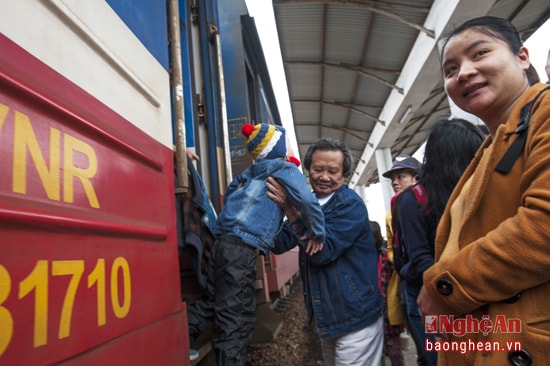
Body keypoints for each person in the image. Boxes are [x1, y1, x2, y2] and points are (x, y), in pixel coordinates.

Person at [417, 16, 550, 365]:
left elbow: (544, 227)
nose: (462, 72)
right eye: (450, 69)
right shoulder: (488, 149)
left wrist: (443, 288)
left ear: (522, 56)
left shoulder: (546, 113)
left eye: (480, 53)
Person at [187, 123, 325, 366]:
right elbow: (306, 199)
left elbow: (231, 195)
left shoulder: (248, 173)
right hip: (241, 250)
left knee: (216, 301)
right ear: (280, 149)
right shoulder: (284, 169)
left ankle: (181, 335)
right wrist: (318, 232)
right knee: (237, 320)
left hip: (222, 243)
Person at [266, 137, 384, 366]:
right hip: (328, 317)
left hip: (356, 316)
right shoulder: (306, 204)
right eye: (318, 169)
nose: (325, 177)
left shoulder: (349, 205)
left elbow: (323, 252)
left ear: (343, 174)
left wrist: (291, 212)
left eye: (333, 171)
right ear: (308, 168)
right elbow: (279, 243)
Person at [393, 118, 487, 366]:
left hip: (470, 293)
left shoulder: (473, 189)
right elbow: (421, 259)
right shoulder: (414, 200)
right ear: (456, 158)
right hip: (432, 297)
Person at [371, 220, 405, 366]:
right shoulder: (364, 257)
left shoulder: (386, 257)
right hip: (373, 308)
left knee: (393, 346)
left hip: (389, 308)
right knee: (376, 347)